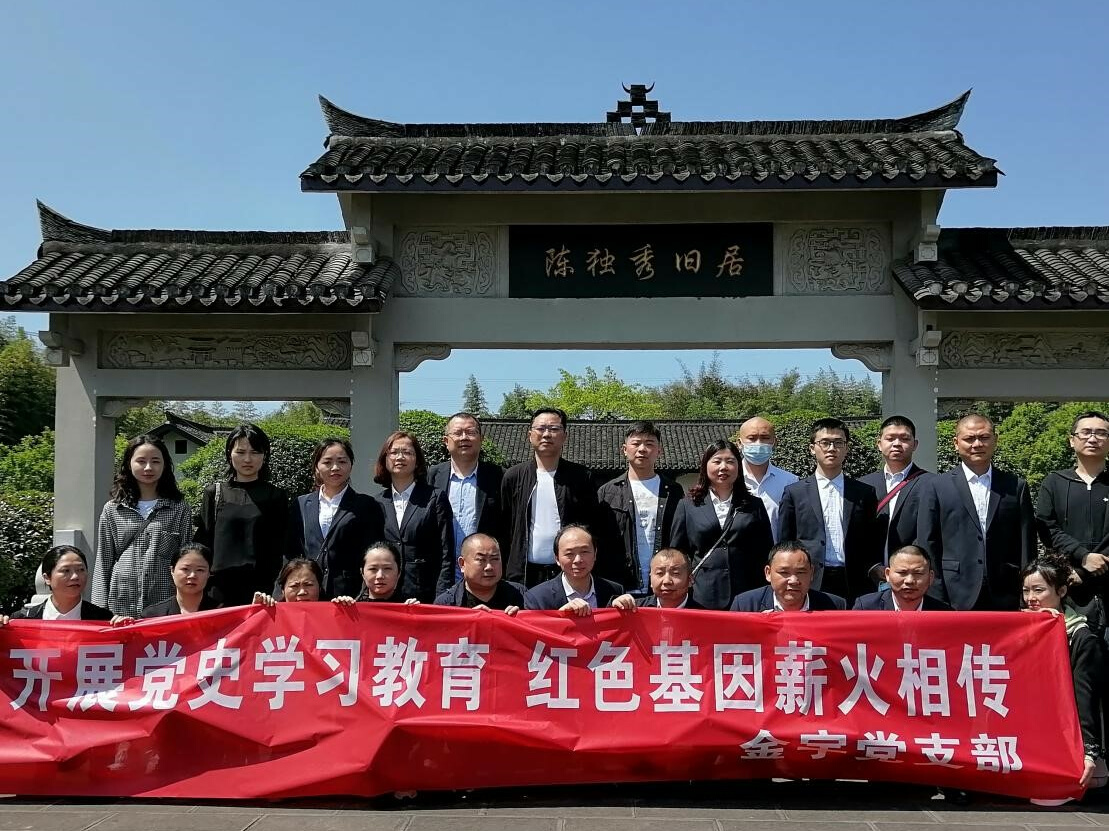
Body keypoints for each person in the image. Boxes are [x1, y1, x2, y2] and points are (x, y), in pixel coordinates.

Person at [917, 414, 1036, 611]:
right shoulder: (936, 486)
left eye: (984, 437)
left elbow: (1026, 543)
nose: (977, 444)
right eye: (969, 438)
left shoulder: (1015, 486)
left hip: (1006, 590)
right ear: (956, 443)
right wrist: (935, 593)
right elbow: (927, 542)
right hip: (953, 592)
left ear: (995, 440)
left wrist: (1028, 590)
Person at [1021, 552, 1105, 789]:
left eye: (1039, 590)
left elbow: (1084, 696)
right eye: (1026, 591)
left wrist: (1089, 752)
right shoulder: (1016, 626)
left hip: (1063, 732)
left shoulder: (1081, 637)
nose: (1031, 598)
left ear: (1062, 591)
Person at [777, 418, 882, 605]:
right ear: (812, 448)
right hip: (810, 579)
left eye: (838, 443)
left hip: (854, 580)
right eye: (824, 443)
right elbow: (785, 541)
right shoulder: (795, 492)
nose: (831, 448)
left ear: (847, 448)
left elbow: (872, 539)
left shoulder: (864, 492)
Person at [91, 435, 194, 618]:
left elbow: (187, 559)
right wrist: (99, 610)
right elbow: (104, 560)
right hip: (121, 602)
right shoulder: (113, 509)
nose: (148, 468)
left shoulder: (179, 508)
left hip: (164, 602)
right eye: (141, 461)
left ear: (165, 465)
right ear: (128, 464)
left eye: (155, 461)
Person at [502, 408, 604, 587]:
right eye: (541, 428)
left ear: (564, 436)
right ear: (530, 435)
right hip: (523, 572)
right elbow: (504, 524)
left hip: (569, 571)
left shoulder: (581, 477)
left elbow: (592, 525)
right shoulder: (514, 476)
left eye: (554, 429)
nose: (547, 434)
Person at [669, 440, 774, 610]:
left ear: (739, 467)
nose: (723, 467)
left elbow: (765, 550)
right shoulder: (688, 505)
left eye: (730, 461)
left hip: (746, 592)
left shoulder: (754, 505)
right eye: (717, 461)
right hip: (702, 593)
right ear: (705, 465)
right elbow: (677, 551)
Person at [194, 424, 289, 605]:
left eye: (255, 452)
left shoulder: (276, 496)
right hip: (218, 591)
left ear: (265, 455)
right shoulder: (214, 493)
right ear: (229, 454)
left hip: (262, 590)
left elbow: (281, 547)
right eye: (240, 452)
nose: (247, 459)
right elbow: (203, 542)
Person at [285, 437, 384, 600]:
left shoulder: (366, 505)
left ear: (351, 465)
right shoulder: (301, 504)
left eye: (342, 461)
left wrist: (364, 594)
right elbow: (292, 552)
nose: (335, 468)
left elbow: (372, 554)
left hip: (349, 595)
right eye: (327, 462)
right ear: (316, 466)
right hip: (309, 594)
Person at [596, 421, 684, 595]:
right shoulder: (608, 492)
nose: (642, 449)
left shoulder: (673, 491)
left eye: (649, 444)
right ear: (624, 449)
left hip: (663, 584)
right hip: (620, 584)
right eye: (636, 443)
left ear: (659, 451)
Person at [372, 431, 454, 602]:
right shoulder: (377, 502)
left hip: (425, 591)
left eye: (407, 452)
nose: (400, 457)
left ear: (417, 461)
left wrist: (442, 596)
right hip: (386, 593)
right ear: (385, 459)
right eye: (394, 452)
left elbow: (446, 551)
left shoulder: (434, 497)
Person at [1036, 411, 1109, 602]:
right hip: (1067, 581)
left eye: (1101, 433)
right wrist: (1082, 556)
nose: (1093, 439)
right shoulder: (1054, 482)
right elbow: (1047, 527)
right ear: (1071, 440)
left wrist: (1088, 568)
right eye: (1085, 432)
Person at [428, 412, 505, 583]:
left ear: (481, 439)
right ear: (446, 441)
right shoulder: (431, 476)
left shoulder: (499, 477)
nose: (464, 437)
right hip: (440, 574)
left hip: (485, 575)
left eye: (470, 432)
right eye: (457, 433)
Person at [858, 416, 932, 564]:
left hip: (912, 571)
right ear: (879, 444)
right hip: (871, 573)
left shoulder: (931, 483)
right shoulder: (863, 485)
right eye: (890, 438)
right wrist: (872, 567)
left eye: (904, 439)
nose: (897, 444)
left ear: (915, 445)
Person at [1, 546, 122, 624]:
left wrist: (126, 630)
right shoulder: (23, 619)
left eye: (81, 570)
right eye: (66, 571)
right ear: (47, 578)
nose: (75, 577)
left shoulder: (103, 619)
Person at [524, 524, 623, 614]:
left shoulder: (614, 591)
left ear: (595, 554)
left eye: (584, 552)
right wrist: (560, 617)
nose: (578, 560)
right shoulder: (537, 598)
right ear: (557, 559)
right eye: (569, 554)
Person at [730, 541, 846, 612]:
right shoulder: (745, 606)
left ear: (811, 573)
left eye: (801, 572)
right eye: (784, 572)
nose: (793, 581)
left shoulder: (835, 606)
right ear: (768, 573)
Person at [737, 416, 798, 543]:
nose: (758, 444)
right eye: (752, 438)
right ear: (739, 443)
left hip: (777, 553)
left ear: (775, 442)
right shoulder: (729, 480)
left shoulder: (790, 482)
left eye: (765, 438)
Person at [434, 533, 527, 613]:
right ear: (462, 564)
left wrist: (520, 618)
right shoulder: (446, 604)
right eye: (481, 560)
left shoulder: (520, 595)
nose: (489, 567)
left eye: (495, 559)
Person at [852, 545, 953, 611]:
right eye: (902, 572)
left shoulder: (943, 613)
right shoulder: (866, 607)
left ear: (930, 577)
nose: (909, 581)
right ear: (887, 574)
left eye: (918, 573)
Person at [141, 543, 222, 617]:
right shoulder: (153, 615)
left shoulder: (221, 612)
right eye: (185, 569)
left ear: (209, 573)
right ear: (172, 570)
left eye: (200, 570)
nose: (192, 576)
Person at [611, 548, 705, 610]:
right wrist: (616, 608)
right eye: (660, 573)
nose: (667, 581)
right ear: (650, 579)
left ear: (690, 580)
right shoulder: (635, 609)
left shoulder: (703, 616)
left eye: (675, 573)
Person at [332, 542, 420, 604]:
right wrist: (342, 609)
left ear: (399, 572)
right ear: (362, 573)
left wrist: (414, 613)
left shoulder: (407, 606)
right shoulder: (353, 606)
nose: (380, 576)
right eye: (373, 569)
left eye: (387, 568)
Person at [254, 558, 325, 604]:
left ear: (319, 588)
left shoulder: (330, 614)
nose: (302, 592)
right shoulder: (272, 615)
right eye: (294, 586)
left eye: (308, 585)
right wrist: (258, 610)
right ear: (283, 590)